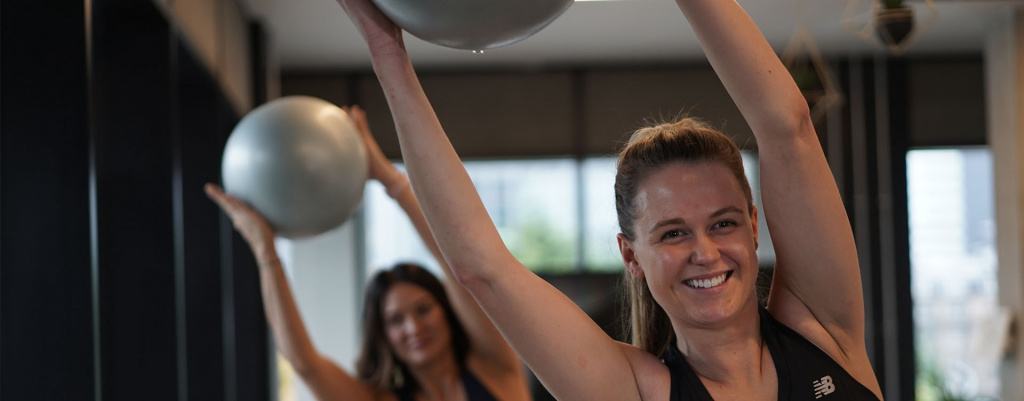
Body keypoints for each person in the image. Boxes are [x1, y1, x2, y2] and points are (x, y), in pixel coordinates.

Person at [335, 0, 884, 399]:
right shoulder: (636, 391)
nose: (705, 251)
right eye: (672, 233)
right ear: (630, 256)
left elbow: (787, 127)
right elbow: (483, 268)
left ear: (754, 226)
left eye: (722, 224)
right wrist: (386, 51)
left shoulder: (824, 330)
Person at [205, 106, 530, 401]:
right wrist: (266, 251)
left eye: (423, 309)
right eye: (395, 320)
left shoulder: (495, 369)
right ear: (383, 334)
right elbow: (305, 365)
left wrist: (390, 179)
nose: (414, 328)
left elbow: (461, 266)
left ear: (447, 310)